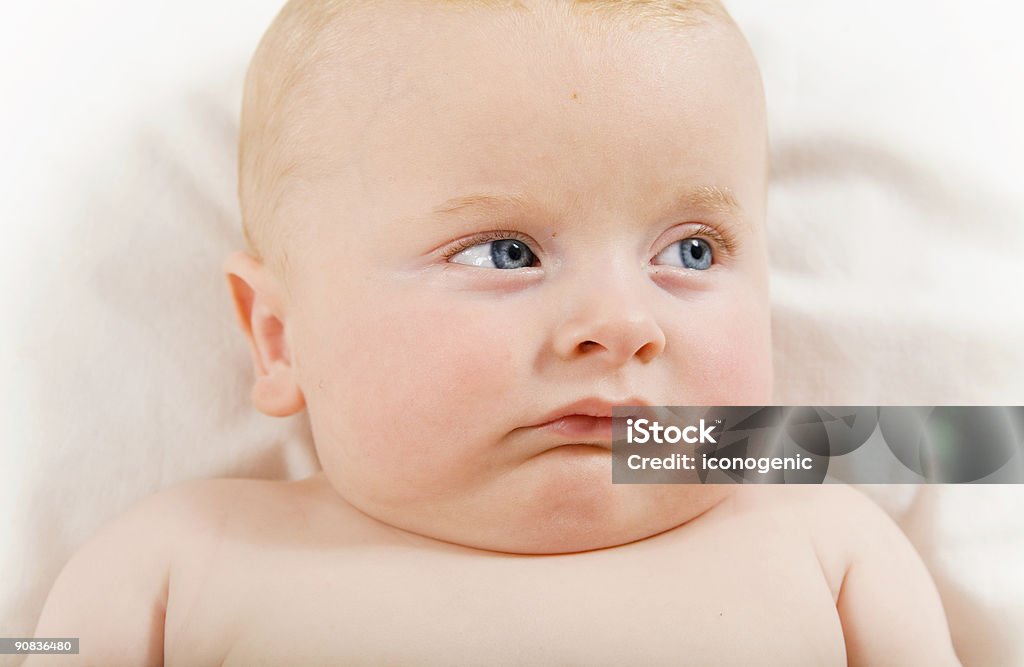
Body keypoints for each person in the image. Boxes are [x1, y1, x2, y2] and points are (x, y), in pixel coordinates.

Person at [29, 1, 960, 664]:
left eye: (692, 248)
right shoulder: (181, 559)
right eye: (506, 253)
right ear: (279, 337)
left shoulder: (827, 544)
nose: (622, 325)